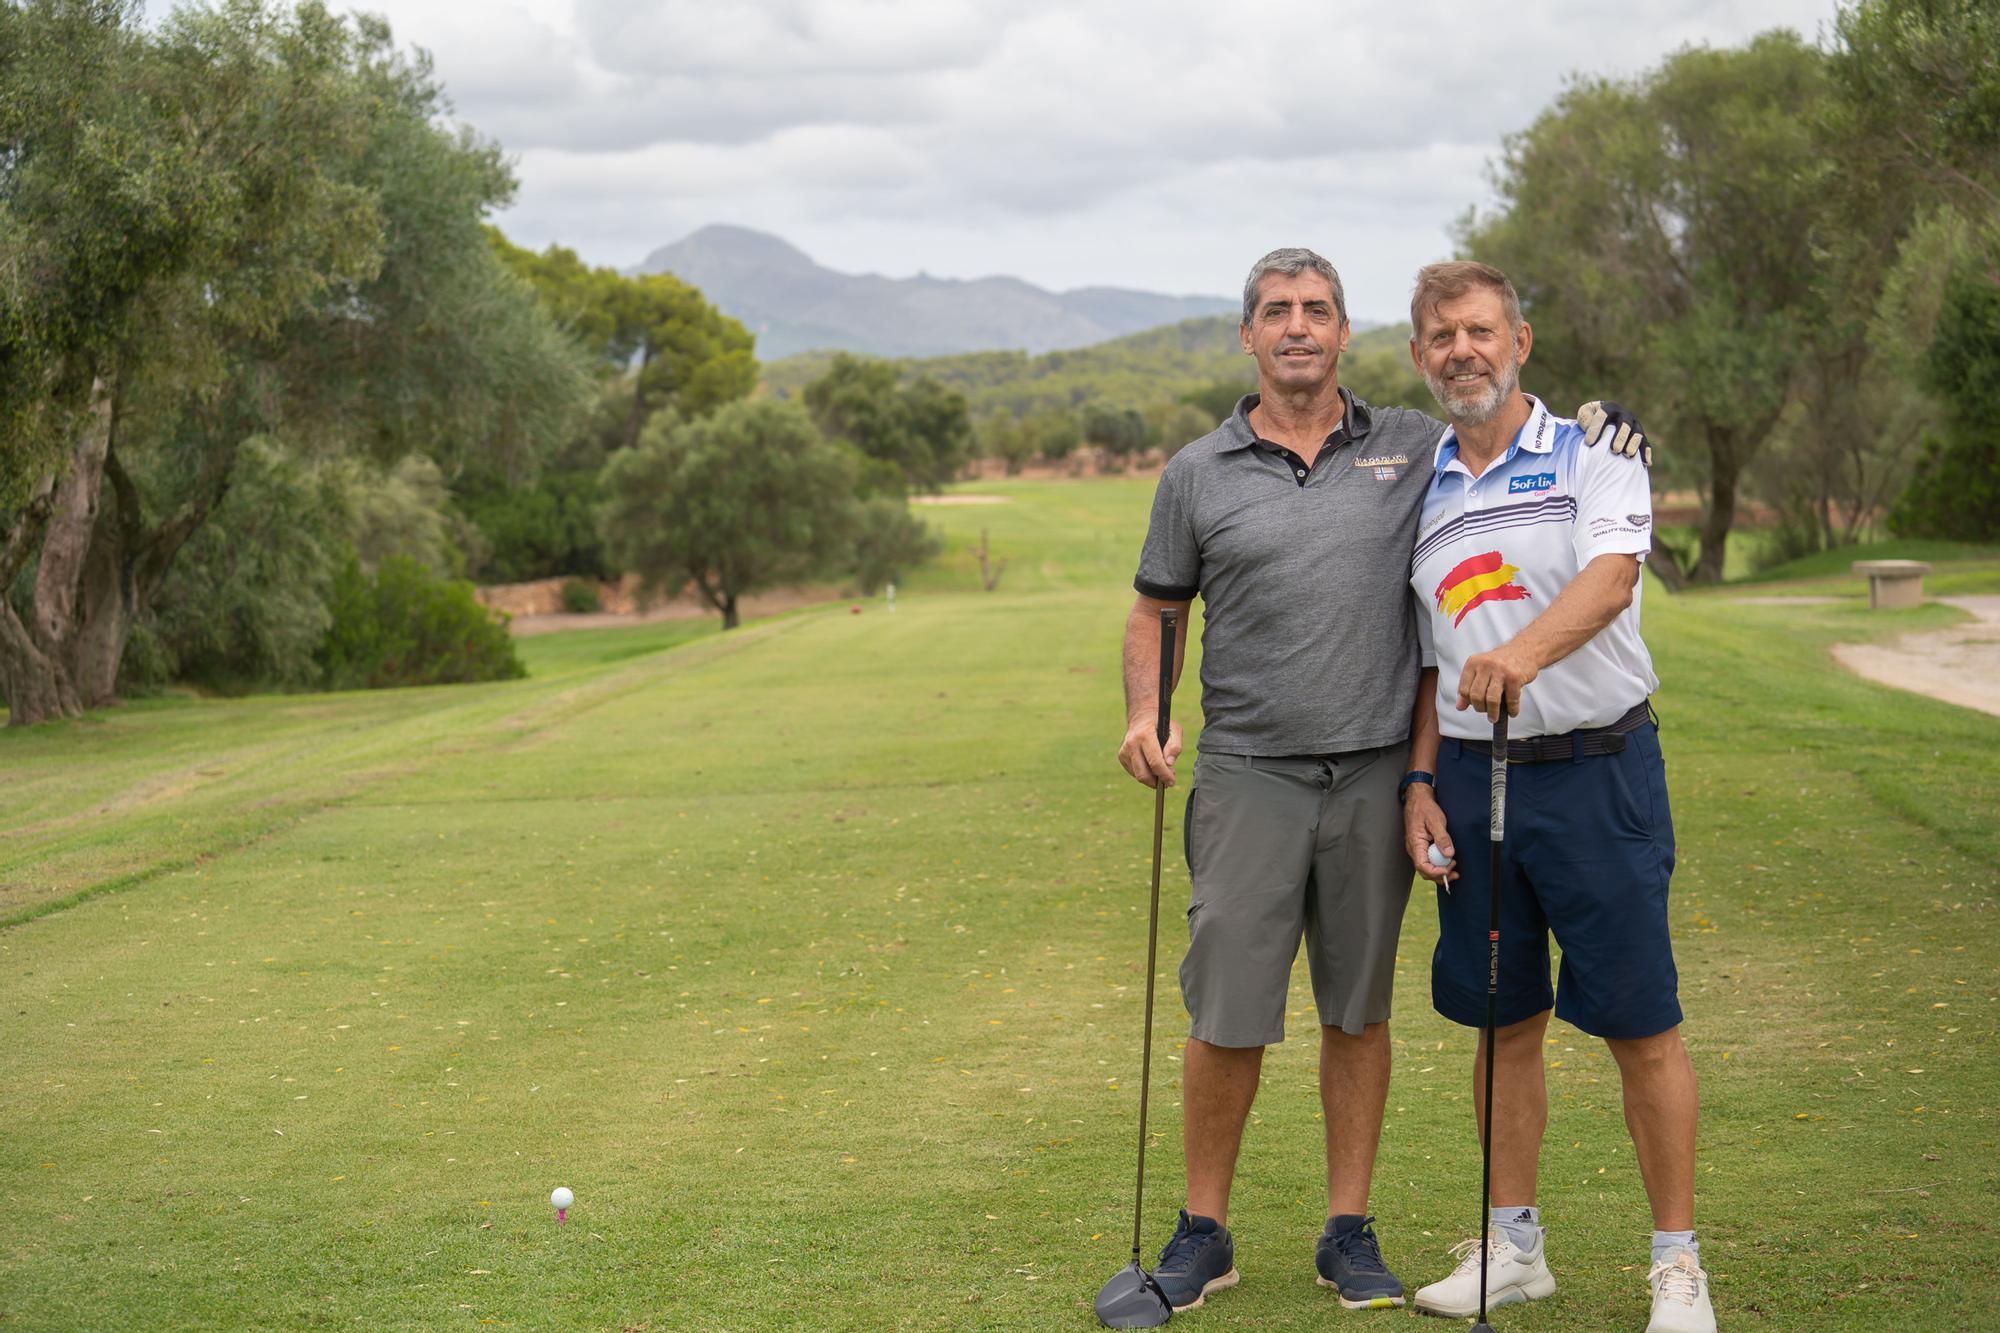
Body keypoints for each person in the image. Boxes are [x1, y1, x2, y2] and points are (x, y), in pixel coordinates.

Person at [1116, 247, 1649, 1313]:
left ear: (1346, 334)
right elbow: (1155, 609)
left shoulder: (1409, 445)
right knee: (1225, 1008)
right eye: (1275, 311)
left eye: (1316, 309)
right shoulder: (1196, 471)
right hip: (1246, 768)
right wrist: (1144, 708)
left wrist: (1606, 420)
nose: (1296, 326)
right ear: (1247, 335)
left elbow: (1511, 424)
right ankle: (1202, 1231)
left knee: (1355, 1009)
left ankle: (1345, 1231)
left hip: (1373, 771)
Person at [1396, 259, 1711, 1333]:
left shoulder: (1594, 453)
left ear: (1518, 341)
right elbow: (1435, 663)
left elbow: (1612, 577)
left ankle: (1675, 1265)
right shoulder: (1419, 487)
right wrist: (1419, 781)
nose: (1461, 352)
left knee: (1641, 1022)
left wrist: (1521, 653)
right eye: (1440, 337)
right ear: (1417, 356)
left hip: (1597, 773)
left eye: (1479, 331)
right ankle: (1512, 1246)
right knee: (1501, 1021)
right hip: (1476, 783)